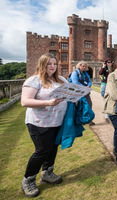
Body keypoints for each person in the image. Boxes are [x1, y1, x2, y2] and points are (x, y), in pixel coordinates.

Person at [20, 53, 67, 197]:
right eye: (49, 64)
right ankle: (28, 180)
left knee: (53, 148)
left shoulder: (61, 79)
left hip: (57, 121)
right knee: (42, 150)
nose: (52, 66)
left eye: (54, 64)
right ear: (42, 65)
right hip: (39, 122)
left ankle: (47, 172)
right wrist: (48, 102)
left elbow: (69, 93)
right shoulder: (34, 80)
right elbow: (25, 101)